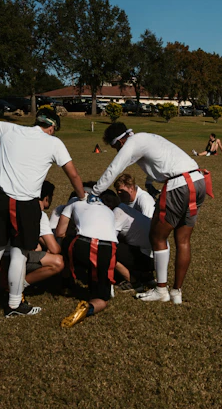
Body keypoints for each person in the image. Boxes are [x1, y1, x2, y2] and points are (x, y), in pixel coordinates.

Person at [0, 108, 85, 320]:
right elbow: (73, 173)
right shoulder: (54, 142)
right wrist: (82, 196)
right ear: (52, 127)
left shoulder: (11, 129)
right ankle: (14, 303)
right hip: (27, 203)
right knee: (19, 253)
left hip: (1, 198)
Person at [90, 122, 209, 304]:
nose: (117, 151)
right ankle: (176, 292)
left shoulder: (132, 143)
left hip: (180, 184)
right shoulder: (148, 137)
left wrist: (95, 192)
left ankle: (161, 290)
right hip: (199, 180)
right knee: (183, 240)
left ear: (120, 142)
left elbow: (114, 169)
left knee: (157, 236)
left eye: (115, 148)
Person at [56, 190, 118, 328]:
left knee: (66, 243)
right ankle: (88, 308)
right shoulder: (108, 210)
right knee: (102, 299)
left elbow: (60, 232)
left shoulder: (74, 201)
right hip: (108, 247)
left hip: (81, 244)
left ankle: (66, 283)